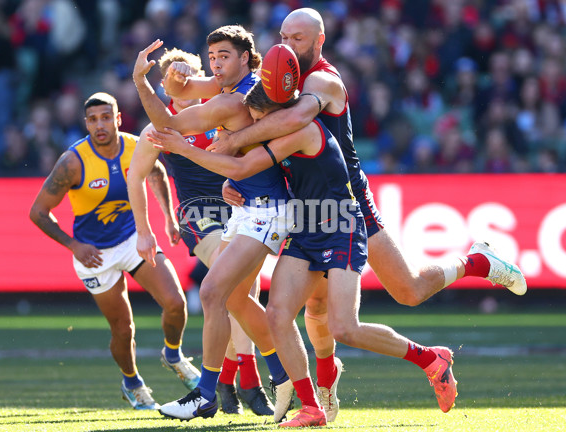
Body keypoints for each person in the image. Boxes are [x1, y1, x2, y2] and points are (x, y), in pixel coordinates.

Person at [207, 8, 527, 422]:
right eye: (284, 36)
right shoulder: (279, 78)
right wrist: (236, 177)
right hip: (305, 206)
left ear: (319, 41)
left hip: (346, 201)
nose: (288, 44)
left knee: (406, 292)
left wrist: (231, 143)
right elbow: (263, 135)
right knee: (313, 308)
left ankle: (476, 262)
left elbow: (295, 120)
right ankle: (321, 391)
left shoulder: (323, 79)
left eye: (299, 38)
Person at [147, 80, 458, 428]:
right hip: (305, 228)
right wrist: (231, 184)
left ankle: (430, 358)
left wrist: (199, 152)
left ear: (275, 115)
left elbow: (243, 165)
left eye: (258, 118)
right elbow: (253, 172)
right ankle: (311, 406)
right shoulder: (280, 133)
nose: (254, 125)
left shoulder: (301, 131)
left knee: (345, 328)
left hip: (340, 225)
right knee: (279, 314)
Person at [132, 25, 294, 422]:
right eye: (213, 57)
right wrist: (174, 79)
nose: (216, 64)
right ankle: (286, 378)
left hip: (266, 209)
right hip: (245, 205)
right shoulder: (239, 85)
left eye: (225, 56)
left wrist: (140, 81)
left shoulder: (233, 101)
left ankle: (206, 393)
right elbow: (185, 92)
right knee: (236, 299)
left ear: (246, 58)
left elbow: (169, 126)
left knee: (211, 292)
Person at [29, 92, 200, 411]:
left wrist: (169, 218)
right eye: (93, 119)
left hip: (133, 239)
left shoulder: (137, 145)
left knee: (176, 303)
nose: (100, 125)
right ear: (86, 124)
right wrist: (74, 245)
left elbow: (157, 173)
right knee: (123, 329)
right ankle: (132, 381)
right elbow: (38, 211)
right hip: (95, 255)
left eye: (106, 117)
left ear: (119, 118)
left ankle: (173, 354)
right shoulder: (72, 161)